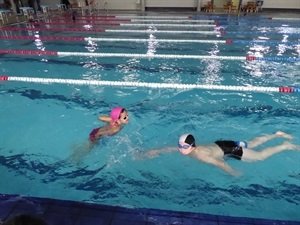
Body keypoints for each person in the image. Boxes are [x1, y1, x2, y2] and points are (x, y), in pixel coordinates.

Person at [145, 131, 299, 176]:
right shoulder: (189, 149)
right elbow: (169, 148)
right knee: (251, 143)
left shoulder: (200, 155)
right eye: (180, 146)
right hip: (221, 143)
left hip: (229, 150)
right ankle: (276, 134)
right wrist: (154, 152)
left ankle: (285, 145)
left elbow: (219, 163)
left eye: (184, 147)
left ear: (192, 146)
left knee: (259, 156)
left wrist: (233, 172)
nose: (181, 149)